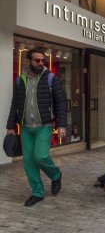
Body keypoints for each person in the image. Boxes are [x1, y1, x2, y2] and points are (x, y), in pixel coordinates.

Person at [6, 47, 67, 207]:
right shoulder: (21, 80)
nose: (41, 63)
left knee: (40, 156)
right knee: (29, 162)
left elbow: (61, 102)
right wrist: (10, 125)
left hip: (44, 125)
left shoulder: (51, 79)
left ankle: (55, 175)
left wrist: (61, 124)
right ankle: (37, 192)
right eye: (37, 60)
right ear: (29, 61)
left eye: (42, 60)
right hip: (26, 127)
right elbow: (15, 104)